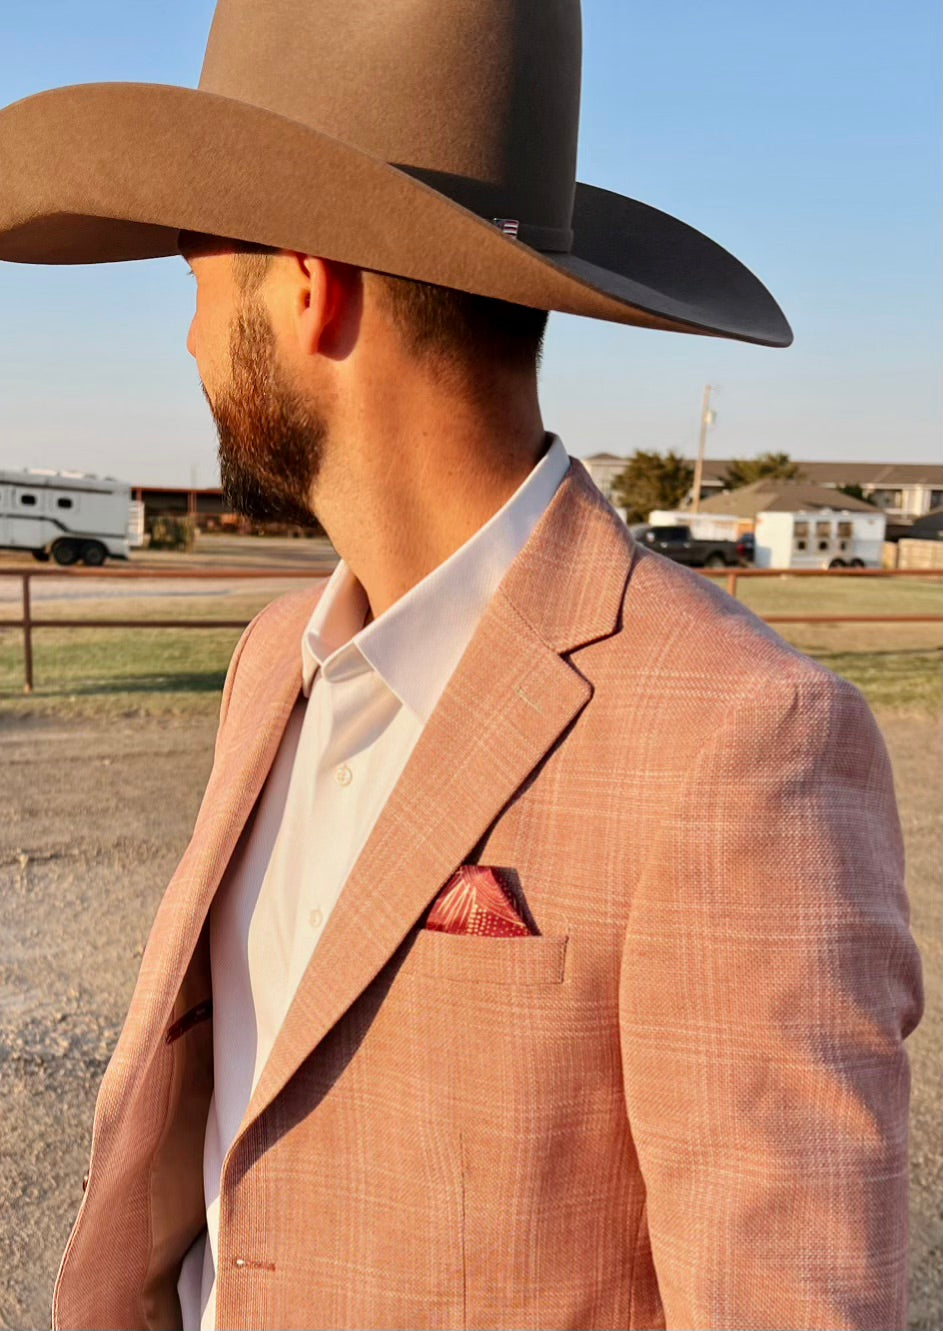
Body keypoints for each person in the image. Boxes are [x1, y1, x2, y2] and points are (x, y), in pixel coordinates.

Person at [0, 2, 923, 1328]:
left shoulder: (741, 736)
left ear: (305, 286)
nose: (191, 342)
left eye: (201, 276)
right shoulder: (278, 662)